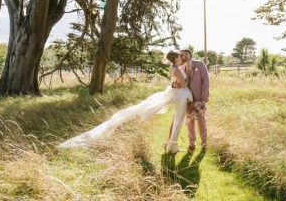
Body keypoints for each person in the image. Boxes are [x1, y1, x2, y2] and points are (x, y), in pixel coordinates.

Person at [57, 50, 193, 150]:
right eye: (180, 56)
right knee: (178, 121)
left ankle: (172, 146)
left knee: (177, 120)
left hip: (178, 94)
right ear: (175, 59)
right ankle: (172, 147)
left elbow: (176, 83)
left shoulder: (175, 68)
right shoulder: (175, 69)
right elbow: (184, 84)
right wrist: (182, 81)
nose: (182, 58)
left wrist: (175, 84)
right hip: (180, 95)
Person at [179, 49, 209, 151]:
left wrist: (204, 97)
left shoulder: (200, 64)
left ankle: (204, 143)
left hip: (199, 99)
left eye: (182, 55)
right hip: (187, 99)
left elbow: (206, 81)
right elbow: (175, 79)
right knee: (189, 121)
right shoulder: (182, 67)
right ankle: (192, 144)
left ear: (188, 54)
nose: (180, 57)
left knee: (201, 121)